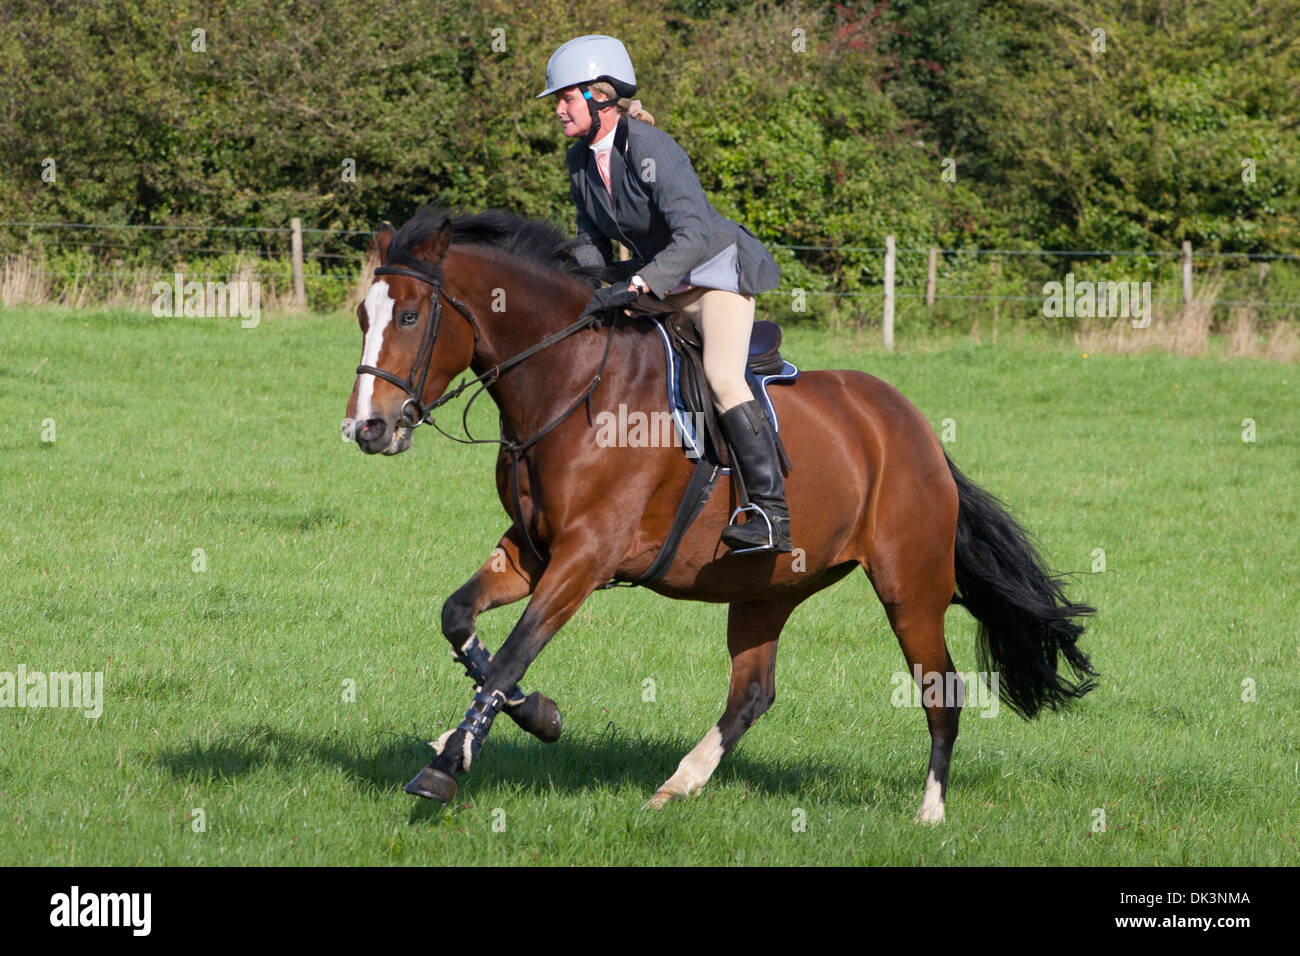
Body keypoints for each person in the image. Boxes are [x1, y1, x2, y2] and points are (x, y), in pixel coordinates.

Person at [538, 34, 791, 553]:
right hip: (659, 281)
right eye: (558, 101)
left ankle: (771, 514)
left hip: (713, 278)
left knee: (722, 378)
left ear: (599, 97)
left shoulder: (653, 147)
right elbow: (590, 237)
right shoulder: (579, 161)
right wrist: (585, 283)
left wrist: (637, 283)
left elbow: (694, 233)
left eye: (565, 98)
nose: (558, 110)